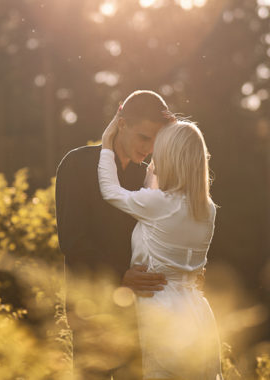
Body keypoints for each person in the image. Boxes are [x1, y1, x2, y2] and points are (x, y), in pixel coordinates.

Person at [55, 90, 174, 379]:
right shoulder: (77, 164)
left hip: (137, 311)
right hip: (89, 307)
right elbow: (72, 240)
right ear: (122, 124)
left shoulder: (147, 177)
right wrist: (121, 273)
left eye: (157, 140)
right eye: (144, 137)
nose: (149, 148)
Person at [99, 114, 223, 379]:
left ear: (168, 158)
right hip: (196, 310)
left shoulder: (159, 204)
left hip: (160, 308)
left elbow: (110, 190)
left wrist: (107, 144)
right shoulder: (208, 209)